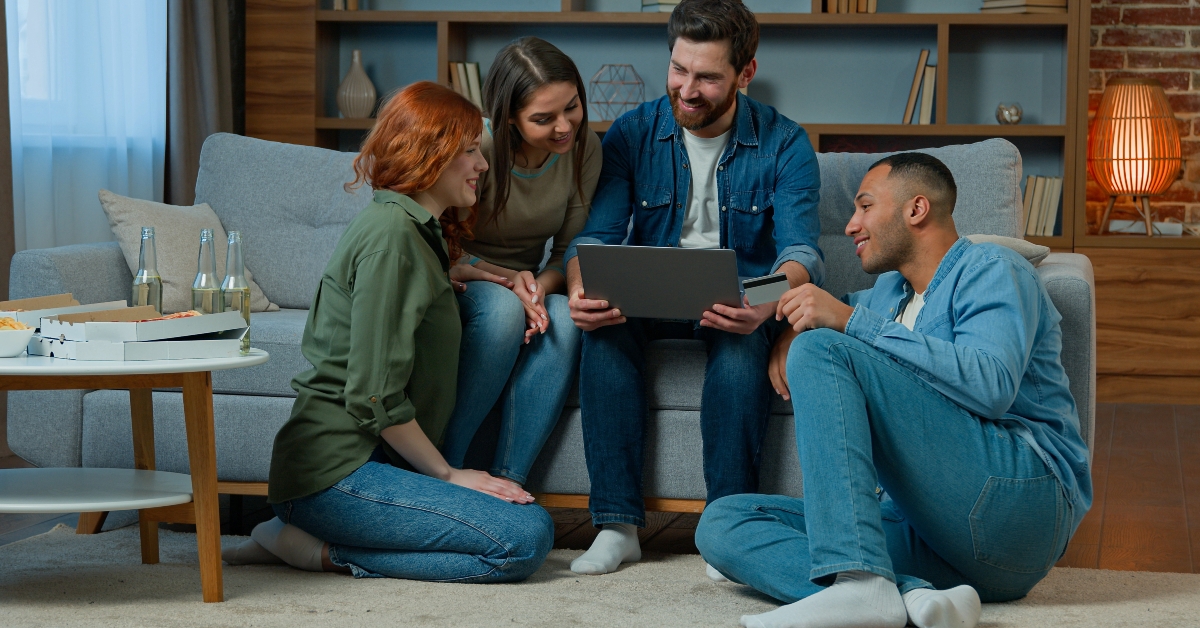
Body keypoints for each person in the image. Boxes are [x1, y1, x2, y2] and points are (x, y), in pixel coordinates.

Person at [695, 153, 1092, 628]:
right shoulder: (889, 293)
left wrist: (845, 323)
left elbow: (991, 386)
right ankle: (905, 594)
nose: (850, 225)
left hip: (1020, 505)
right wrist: (750, 302)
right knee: (721, 523)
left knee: (822, 348)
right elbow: (808, 298)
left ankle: (860, 583)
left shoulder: (992, 269)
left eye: (864, 207)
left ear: (916, 209)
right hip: (939, 541)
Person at [221, 81, 554, 582]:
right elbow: (373, 394)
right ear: (431, 154)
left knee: (527, 527)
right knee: (523, 539)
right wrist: (447, 474)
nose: (483, 165)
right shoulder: (394, 238)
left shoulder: (413, 231)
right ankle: (308, 548)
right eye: (469, 151)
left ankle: (300, 537)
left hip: (370, 463)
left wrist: (461, 271)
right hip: (333, 473)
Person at [563, 0, 823, 576]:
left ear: (745, 73)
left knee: (740, 350)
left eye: (706, 77)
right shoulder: (633, 132)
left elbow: (802, 254)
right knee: (602, 335)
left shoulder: (785, 143)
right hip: (646, 296)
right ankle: (616, 527)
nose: (686, 89)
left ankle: (727, 529)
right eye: (678, 69)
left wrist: (762, 305)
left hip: (738, 298)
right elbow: (594, 238)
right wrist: (582, 289)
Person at [439, 37, 602, 488]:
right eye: (544, 119)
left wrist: (536, 291)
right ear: (508, 115)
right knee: (502, 311)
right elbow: (441, 240)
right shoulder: (479, 146)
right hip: (462, 271)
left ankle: (508, 480)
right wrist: (514, 286)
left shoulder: (585, 149)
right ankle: (447, 469)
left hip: (525, 282)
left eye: (572, 107)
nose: (564, 126)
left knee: (566, 320)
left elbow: (569, 249)